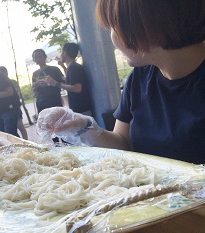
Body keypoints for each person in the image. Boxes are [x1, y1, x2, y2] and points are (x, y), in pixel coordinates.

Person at [37, 0, 205, 164]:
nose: (112, 38)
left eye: (113, 26)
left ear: (146, 25)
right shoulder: (139, 77)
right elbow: (123, 144)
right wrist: (85, 127)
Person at [46, 43, 92, 115]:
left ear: (65, 53)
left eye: (61, 52)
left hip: (81, 109)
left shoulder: (73, 67)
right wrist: (63, 66)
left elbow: (77, 88)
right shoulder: (72, 67)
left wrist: (56, 83)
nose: (60, 55)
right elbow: (70, 81)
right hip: (81, 108)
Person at [0, 66, 28, 140]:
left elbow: (17, 93)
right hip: (6, 109)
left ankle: (26, 141)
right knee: (11, 129)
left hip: (14, 107)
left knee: (20, 126)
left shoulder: (12, 82)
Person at [32, 49, 65, 115]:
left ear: (45, 57)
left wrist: (51, 83)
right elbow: (34, 91)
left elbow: (64, 83)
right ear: (34, 60)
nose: (38, 59)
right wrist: (35, 86)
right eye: (36, 57)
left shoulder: (55, 69)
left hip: (54, 101)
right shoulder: (35, 73)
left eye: (40, 56)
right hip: (41, 103)